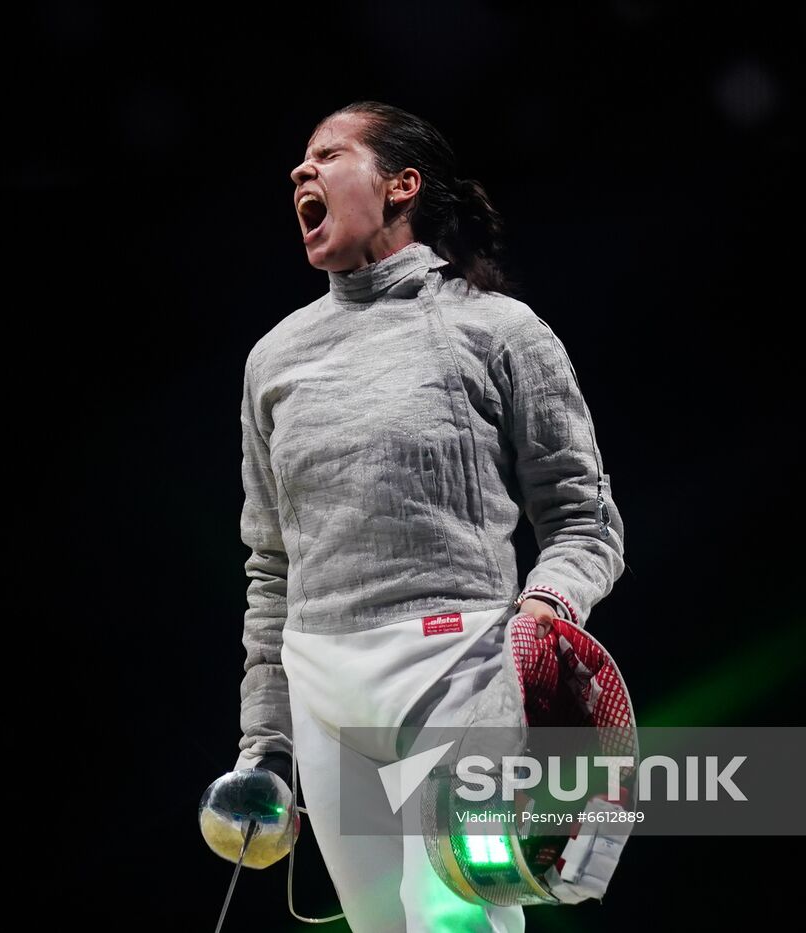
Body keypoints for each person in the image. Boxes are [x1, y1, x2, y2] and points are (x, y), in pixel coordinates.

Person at [228, 101, 627, 933]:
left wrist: (545, 610)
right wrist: (263, 746)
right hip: (322, 683)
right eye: (299, 162)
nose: (302, 172)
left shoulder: (497, 330)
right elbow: (271, 567)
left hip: (458, 670)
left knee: (455, 919)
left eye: (328, 155)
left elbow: (585, 522)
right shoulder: (274, 359)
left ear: (402, 183)